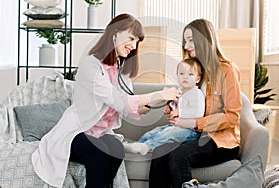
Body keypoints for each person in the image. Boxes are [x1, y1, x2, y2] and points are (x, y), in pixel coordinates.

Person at [31, 13, 181, 188]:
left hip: (101, 133)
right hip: (77, 133)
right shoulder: (91, 65)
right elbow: (119, 101)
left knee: (116, 148)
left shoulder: (120, 68)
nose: (133, 46)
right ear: (115, 33)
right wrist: (160, 95)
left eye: (137, 42)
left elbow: (132, 109)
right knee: (99, 152)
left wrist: (161, 101)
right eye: (131, 38)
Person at [148, 18, 242, 188]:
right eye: (185, 41)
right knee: (159, 152)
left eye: (191, 40)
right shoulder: (195, 71)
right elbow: (190, 103)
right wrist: (174, 107)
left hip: (221, 141)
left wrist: (193, 122)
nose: (186, 45)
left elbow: (232, 116)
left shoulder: (228, 70)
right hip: (197, 136)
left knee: (178, 155)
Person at [123, 58, 205, 155]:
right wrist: (170, 107)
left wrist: (180, 112)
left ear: (197, 79)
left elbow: (198, 112)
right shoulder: (179, 91)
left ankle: (148, 146)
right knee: (155, 132)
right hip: (175, 125)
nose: (185, 77)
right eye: (181, 74)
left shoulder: (197, 93)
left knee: (168, 134)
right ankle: (137, 145)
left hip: (190, 131)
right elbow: (175, 105)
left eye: (190, 74)